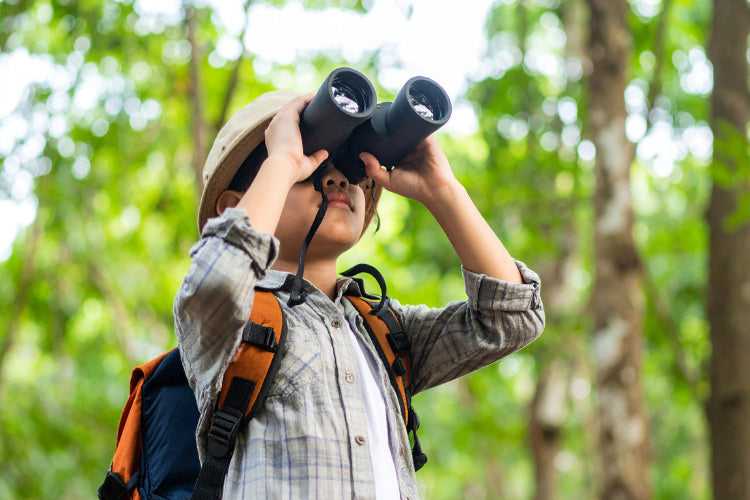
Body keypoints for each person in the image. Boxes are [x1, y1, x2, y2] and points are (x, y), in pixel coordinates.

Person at [174, 88, 545, 499]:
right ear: (233, 207)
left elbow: (511, 318)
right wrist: (281, 161)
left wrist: (443, 191)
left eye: (348, 168)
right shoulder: (233, 323)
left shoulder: (381, 330)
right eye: (309, 165)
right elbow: (218, 278)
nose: (336, 178)